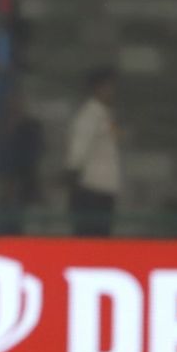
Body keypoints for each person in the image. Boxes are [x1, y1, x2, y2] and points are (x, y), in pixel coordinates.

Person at [65, 67, 121, 236]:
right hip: (91, 189)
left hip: (103, 189)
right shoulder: (90, 114)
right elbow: (79, 148)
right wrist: (73, 174)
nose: (112, 91)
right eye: (108, 86)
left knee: (101, 236)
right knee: (90, 237)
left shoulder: (104, 114)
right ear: (97, 88)